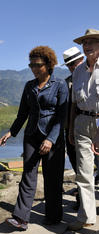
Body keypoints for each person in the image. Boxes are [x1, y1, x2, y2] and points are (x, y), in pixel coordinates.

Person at [0, 46, 68, 230]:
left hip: (52, 138)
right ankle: (21, 218)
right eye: (31, 65)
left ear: (48, 64)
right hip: (31, 135)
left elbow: (62, 116)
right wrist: (11, 132)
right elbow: (22, 113)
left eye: (38, 65)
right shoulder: (29, 86)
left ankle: (53, 216)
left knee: (52, 178)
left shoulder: (60, 85)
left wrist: (51, 139)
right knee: (28, 175)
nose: (34, 68)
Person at [69, 29, 99, 231]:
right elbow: (74, 104)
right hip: (81, 123)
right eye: (84, 43)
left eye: (91, 42)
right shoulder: (78, 71)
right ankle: (86, 216)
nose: (87, 46)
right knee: (84, 172)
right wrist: (71, 128)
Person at [62, 47, 84, 209]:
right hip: (70, 130)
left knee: (87, 165)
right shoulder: (67, 82)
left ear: (81, 60)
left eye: (74, 63)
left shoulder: (92, 76)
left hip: (89, 129)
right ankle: (82, 199)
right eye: (69, 65)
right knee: (77, 165)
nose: (72, 67)